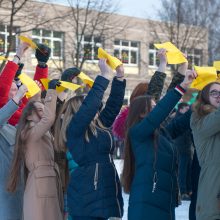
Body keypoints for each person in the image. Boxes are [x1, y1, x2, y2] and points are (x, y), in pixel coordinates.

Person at [54, 59, 126, 220]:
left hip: (108, 196)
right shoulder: (74, 130)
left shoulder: (98, 127)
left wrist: (119, 78)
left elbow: (113, 106)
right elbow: (89, 108)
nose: (97, 108)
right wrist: (104, 76)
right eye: (91, 106)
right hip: (89, 201)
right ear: (79, 110)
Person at [122, 69, 196, 220]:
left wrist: (197, 107)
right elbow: (160, 112)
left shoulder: (160, 133)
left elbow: (180, 125)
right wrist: (181, 87)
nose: (158, 109)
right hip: (146, 204)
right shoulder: (137, 132)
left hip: (164, 202)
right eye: (153, 106)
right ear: (142, 113)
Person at [7, 79, 63, 220]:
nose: (44, 112)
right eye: (40, 110)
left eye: (44, 109)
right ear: (29, 115)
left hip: (47, 180)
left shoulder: (41, 131)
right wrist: (51, 92)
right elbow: (49, 118)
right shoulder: (29, 131)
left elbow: (52, 118)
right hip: (41, 183)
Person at [190, 82, 220, 220]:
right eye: (214, 92)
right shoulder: (198, 119)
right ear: (205, 96)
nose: (219, 96)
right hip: (213, 193)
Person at [0, 85, 27, 220]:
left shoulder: (16, 126)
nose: (16, 92)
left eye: (17, 89)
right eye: (12, 89)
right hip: (5, 189)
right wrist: (16, 99)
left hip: (22, 185)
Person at [172, 102, 192, 199]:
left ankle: (188, 190)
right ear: (180, 109)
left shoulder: (185, 119)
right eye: (186, 109)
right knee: (182, 170)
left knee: (188, 170)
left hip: (186, 148)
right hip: (181, 148)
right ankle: (183, 191)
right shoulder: (179, 119)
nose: (188, 111)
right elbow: (179, 137)